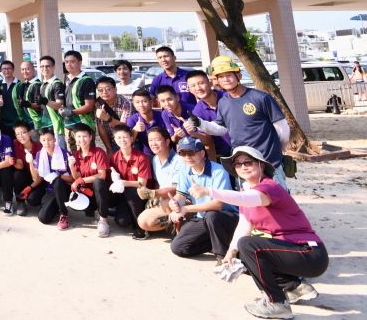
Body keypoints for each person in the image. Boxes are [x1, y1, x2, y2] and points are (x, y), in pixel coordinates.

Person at [194, 146, 328, 319]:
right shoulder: (246, 192)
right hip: (292, 251)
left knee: (249, 245)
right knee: (244, 250)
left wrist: (209, 191)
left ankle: (277, 303)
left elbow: (249, 199)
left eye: (248, 162)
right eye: (238, 164)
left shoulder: (269, 187)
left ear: (261, 165)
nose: (243, 167)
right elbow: (244, 226)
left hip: (311, 253)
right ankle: (292, 288)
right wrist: (230, 253)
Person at [189, 56, 291, 188]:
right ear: (217, 81)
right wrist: (200, 123)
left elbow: (282, 128)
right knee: (250, 206)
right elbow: (221, 128)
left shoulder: (261, 97)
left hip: (269, 163)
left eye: (229, 75)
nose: (225, 79)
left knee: (277, 204)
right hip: (243, 166)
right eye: (221, 76)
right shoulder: (223, 102)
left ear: (239, 75)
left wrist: (278, 150)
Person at [168, 137, 238, 261]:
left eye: (191, 152)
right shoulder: (185, 170)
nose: (187, 157)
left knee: (212, 215)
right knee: (178, 247)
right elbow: (181, 196)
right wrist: (175, 203)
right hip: (202, 218)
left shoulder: (219, 171)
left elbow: (218, 205)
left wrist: (186, 208)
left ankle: (221, 257)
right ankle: (217, 243)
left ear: (202, 153)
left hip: (227, 217)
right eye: (182, 153)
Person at [137, 126, 187, 234]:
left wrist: (153, 193)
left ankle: (182, 224)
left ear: (167, 141)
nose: (153, 143)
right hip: (164, 201)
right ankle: (174, 223)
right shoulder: (155, 159)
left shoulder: (179, 160)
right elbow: (158, 182)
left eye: (157, 139)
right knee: (143, 221)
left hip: (181, 200)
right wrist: (153, 197)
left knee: (167, 202)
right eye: (150, 140)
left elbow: (176, 189)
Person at [108, 124, 151, 239]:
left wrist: (123, 182)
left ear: (131, 138)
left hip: (141, 195)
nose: (122, 140)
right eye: (119, 138)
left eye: (125, 137)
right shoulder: (114, 158)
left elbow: (142, 183)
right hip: (124, 196)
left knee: (132, 190)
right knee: (122, 222)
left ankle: (141, 228)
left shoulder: (141, 158)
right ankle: (130, 216)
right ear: (115, 140)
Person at [69, 122, 111, 237]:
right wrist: (72, 167)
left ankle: (104, 220)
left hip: (102, 192)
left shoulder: (99, 152)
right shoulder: (75, 155)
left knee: (98, 182)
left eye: (85, 136)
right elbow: (76, 178)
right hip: (87, 193)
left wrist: (82, 180)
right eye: (78, 136)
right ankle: (94, 210)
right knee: (85, 209)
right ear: (75, 138)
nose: (82, 139)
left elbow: (102, 175)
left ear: (91, 137)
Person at [50, 51, 96, 152]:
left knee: (87, 156)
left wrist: (71, 112)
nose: (69, 64)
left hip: (83, 125)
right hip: (68, 126)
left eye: (72, 62)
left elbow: (89, 106)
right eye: (66, 62)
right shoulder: (67, 79)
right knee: (73, 157)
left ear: (80, 63)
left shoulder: (86, 81)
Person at [28, 127, 74, 228]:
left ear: (54, 139)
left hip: (63, 189)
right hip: (49, 188)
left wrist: (58, 175)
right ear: (40, 140)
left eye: (49, 139)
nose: (47, 143)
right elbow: (36, 178)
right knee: (33, 202)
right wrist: (31, 163)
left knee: (57, 181)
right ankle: (53, 206)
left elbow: (72, 179)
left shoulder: (65, 154)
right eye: (43, 140)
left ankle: (64, 214)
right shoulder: (40, 154)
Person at [186, 69, 232, 159]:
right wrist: (193, 132)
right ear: (190, 90)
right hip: (224, 156)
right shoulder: (197, 111)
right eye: (193, 86)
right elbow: (206, 140)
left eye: (201, 83)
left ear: (210, 83)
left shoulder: (228, 97)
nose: (198, 88)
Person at [150, 46, 197, 111]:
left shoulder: (189, 76)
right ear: (157, 61)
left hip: (192, 116)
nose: (163, 60)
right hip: (170, 119)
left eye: (166, 56)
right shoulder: (157, 80)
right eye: (160, 57)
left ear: (174, 58)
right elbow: (150, 100)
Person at [9, 122, 41, 216]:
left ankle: (44, 201)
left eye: (23, 132)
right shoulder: (15, 144)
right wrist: (13, 161)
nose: (20, 136)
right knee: (17, 174)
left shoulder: (39, 148)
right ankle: (20, 202)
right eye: (17, 134)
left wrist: (30, 187)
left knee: (33, 200)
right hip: (24, 176)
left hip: (37, 179)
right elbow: (21, 166)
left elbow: (40, 177)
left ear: (30, 133)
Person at [95, 76, 132, 155]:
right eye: (100, 90)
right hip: (111, 141)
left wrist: (108, 118)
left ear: (115, 89)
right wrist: (108, 148)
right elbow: (100, 128)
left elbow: (125, 127)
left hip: (127, 140)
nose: (104, 92)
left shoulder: (125, 102)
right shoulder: (98, 103)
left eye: (108, 89)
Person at [126, 88, 165, 154]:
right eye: (137, 102)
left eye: (144, 101)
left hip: (164, 151)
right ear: (133, 104)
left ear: (151, 102)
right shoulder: (132, 120)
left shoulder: (162, 116)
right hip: (145, 154)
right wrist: (135, 130)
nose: (141, 105)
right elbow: (128, 144)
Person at [16, 60, 45, 130]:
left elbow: (39, 106)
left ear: (33, 69)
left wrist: (28, 104)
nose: (25, 71)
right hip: (26, 122)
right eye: (22, 69)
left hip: (36, 123)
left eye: (27, 69)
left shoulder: (37, 85)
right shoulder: (23, 85)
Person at [0, 60, 22, 132]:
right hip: (3, 120)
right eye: (4, 69)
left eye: (9, 68)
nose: (6, 71)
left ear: (13, 70)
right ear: (1, 70)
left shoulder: (20, 84)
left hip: (17, 120)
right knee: (6, 142)